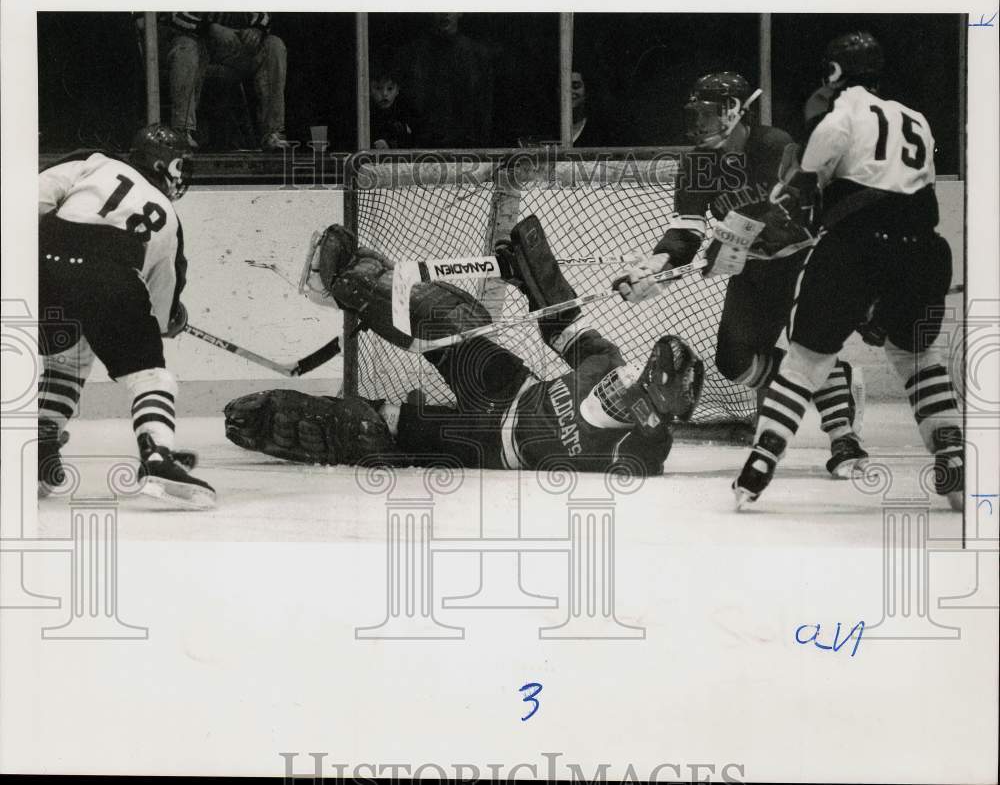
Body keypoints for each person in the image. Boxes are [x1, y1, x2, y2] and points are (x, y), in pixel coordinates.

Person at [224, 219, 704, 475]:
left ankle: (293, 419)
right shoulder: (608, 364)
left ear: (648, 412)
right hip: (509, 388)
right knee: (454, 318)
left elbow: (648, 455)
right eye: (634, 370)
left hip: (484, 442)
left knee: (369, 432)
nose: (623, 377)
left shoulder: (635, 450)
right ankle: (347, 282)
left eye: (636, 383)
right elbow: (559, 326)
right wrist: (534, 278)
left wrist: (652, 420)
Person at [733, 32, 963, 511]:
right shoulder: (917, 119)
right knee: (917, 358)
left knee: (805, 362)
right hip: (923, 250)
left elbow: (802, 192)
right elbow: (917, 194)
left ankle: (760, 462)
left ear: (835, 73)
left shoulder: (840, 115)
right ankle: (952, 453)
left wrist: (778, 211)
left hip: (855, 249)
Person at [616, 71, 868, 478]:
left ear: (735, 111)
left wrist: (743, 239)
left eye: (709, 114)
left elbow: (799, 216)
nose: (699, 124)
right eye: (695, 114)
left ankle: (844, 439)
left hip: (804, 260)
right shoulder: (698, 162)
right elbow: (687, 231)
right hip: (754, 270)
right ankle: (833, 380)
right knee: (733, 360)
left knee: (808, 346)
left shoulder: (774, 147)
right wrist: (657, 264)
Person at [37, 124, 215, 509]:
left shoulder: (94, 163)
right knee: (151, 377)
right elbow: (162, 294)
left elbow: (33, 198)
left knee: (66, 363)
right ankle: (157, 458)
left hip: (45, 265)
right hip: (111, 271)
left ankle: (41, 444)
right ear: (164, 164)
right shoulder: (166, 215)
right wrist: (171, 318)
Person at [167, 12, 290, 151]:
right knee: (185, 46)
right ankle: (182, 131)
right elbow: (176, 16)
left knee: (274, 45)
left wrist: (257, 29)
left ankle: (272, 133)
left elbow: (264, 14)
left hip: (235, 45)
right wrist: (210, 28)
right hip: (199, 42)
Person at [394, 13, 494, 147]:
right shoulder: (411, 55)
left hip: (468, 149)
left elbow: (484, 109)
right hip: (421, 148)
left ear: (461, 12)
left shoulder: (477, 55)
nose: (445, 13)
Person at [369, 63, 414, 150]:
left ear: (397, 90)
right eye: (378, 88)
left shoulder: (405, 114)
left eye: (390, 88)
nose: (384, 94)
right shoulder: (365, 115)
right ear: (369, 90)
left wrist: (390, 145)